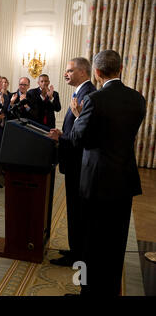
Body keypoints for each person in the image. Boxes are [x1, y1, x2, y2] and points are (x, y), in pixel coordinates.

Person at [49, 50, 146, 296]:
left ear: (97, 72)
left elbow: (81, 138)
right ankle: (111, 289)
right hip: (124, 180)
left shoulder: (95, 100)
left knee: (93, 242)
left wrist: (80, 116)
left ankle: (89, 292)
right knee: (116, 241)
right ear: (120, 69)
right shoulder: (137, 98)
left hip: (97, 181)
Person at [50, 57, 97, 268]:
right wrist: (64, 133)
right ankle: (75, 248)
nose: (65, 74)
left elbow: (84, 133)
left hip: (79, 163)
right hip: (74, 161)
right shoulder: (80, 92)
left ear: (83, 72)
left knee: (77, 211)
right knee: (74, 210)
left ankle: (77, 254)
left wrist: (63, 137)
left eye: (69, 70)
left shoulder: (88, 94)